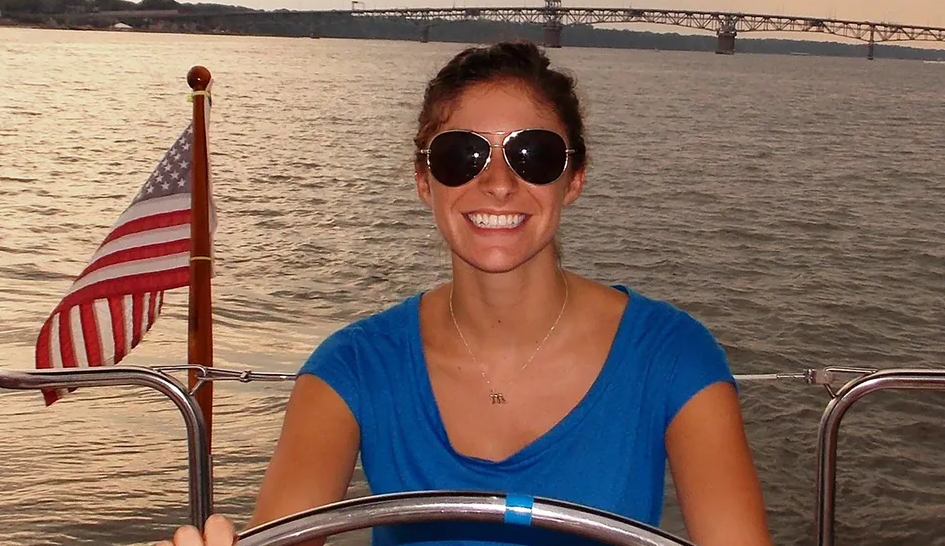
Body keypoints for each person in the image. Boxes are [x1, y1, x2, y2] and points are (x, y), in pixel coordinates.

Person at [160, 41, 773, 546]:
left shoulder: (671, 356)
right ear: (425, 180)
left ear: (575, 178)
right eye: (462, 155)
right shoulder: (353, 368)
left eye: (535, 154)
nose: (499, 183)